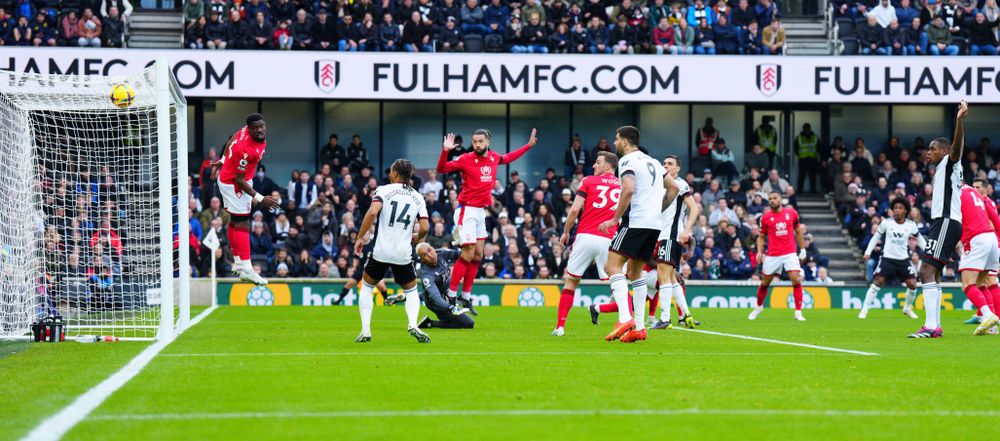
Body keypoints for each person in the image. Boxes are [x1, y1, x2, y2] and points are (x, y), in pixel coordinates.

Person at [437, 128, 536, 314]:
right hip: (466, 211)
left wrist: (528, 146)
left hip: (480, 213)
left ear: (488, 142)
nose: (477, 144)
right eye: (474, 141)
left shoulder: (493, 158)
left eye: (480, 141)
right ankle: (450, 295)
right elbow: (442, 169)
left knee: (477, 256)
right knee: (467, 254)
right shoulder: (465, 159)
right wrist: (445, 151)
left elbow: (509, 157)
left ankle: (465, 297)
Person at [601, 126, 667, 343]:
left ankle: (624, 318)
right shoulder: (655, 162)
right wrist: (656, 210)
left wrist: (614, 218)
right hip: (653, 224)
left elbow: (628, 189)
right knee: (635, 271)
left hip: (636, 221)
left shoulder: (627, 161)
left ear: (625, 142)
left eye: (616, 139)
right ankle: (639, 327)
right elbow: (674, 188)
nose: (615, 143)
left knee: (611, 266)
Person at [353, 159, 430, 343]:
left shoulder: (383, 190)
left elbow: (372, 213)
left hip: (381, 250)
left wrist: (360, 237)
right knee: (411, 292)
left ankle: (366, 330)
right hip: (403, 252)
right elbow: (425, 227)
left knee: (367, 286)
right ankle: (413, 324)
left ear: (394, 173)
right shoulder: (418, 197)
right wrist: (416, 239)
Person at [909, 101, 967, 339]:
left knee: (926, 270)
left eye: (932, 149)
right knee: (935, 273)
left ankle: (931, 326)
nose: (928, 152)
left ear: (943, 151)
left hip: (945, 221)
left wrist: (959, 120)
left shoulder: (949, 161)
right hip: (944, 222)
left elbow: (956, 150)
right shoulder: (945, 167)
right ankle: (934, 325)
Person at [551, 152, 620, 337]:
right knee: (617, 284)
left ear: (609, 166)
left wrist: (565, 232)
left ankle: (560, 327)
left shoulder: (589, 181)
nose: (594, 166)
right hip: (609, 239)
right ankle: (630, 321)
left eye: (598, 163)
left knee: (572, 281)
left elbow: (574, 209)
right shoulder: (624, 185)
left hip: (586, 236)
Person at [209, 114, 281, 285]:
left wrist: (224, 160)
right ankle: (247, 270)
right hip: (234, 183)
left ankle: (239, 263)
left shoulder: (244, 132)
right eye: (255, 128)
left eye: (261, 126)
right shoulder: (246, 149)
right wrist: (260, 198)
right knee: (242, 223)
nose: (259, 130)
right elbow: (240, 180)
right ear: (249, 129)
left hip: (230, 178)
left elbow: (230, 141)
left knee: (235, 221)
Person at [650, 155, 701, 330]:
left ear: (678, 168)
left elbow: (694, 208)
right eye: (664, 163)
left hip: (671, 236)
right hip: (664, 236)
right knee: (672, 278)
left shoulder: (680, 184)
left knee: (662, 275)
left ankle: (665, 318)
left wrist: (687, 230)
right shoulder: (661, 184)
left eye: (670, 164)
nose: (666, 166)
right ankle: (686, 315)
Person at [860, 198, 924, 319]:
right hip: (887, 259)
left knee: (912, 284)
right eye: (895, 208)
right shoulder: (886, 223)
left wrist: (929, 251)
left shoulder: (911, 225)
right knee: (878, 281)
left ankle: (907, 308)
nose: (897, 210)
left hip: (903, 259)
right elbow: (875, 238)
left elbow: (919, 239)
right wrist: (868, 252)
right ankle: (864, 309)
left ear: (905, 210)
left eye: (900, 208)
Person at [749, 191, 808, 321]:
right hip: (773, 255)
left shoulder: (792, 213)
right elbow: (761, 237)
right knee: (765, 282)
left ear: (780, 199)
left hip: (790, 253)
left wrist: (802, 249)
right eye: (770, 199)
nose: (772, 201)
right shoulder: (765, 218)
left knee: (796, 279)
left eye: (774, 198)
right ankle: (758, 307)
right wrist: (759, 252)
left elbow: (798, 232)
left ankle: (798, 312)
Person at [955, 182, 1000, 335]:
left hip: (978, 239)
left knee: (967, 284)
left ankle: (988, 315)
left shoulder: (955, 192)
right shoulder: (977, 195)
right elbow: (995, 218)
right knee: (983, 282)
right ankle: (992, 325)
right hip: (991, 239)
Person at [415, 244, 475, 329]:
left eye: (429, 250)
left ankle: (411, 296)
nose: (430, 255)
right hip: (435, 303)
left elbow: (462, 255)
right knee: (468, 324)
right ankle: (429, 323)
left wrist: (463, 246)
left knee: (466, 322)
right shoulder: (427, 275)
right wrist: (450, 307)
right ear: (422, 259)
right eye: (425, 255)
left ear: (433, 248)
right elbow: (436, 297)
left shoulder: (442, 253)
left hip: (444, 292)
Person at [794, 123, 821, 193]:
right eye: (805, 128)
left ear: (810, 129)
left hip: (812, 158)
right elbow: (795, 148)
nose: (807, 130)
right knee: (801, 175)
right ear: (803, 129)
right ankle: (800, 190)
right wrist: (799, 154)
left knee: (812, 176)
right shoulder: (799, 137)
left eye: (808, 128)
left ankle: (813, 190)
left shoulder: (815, 137)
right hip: (803, 158)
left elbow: (819, 147)